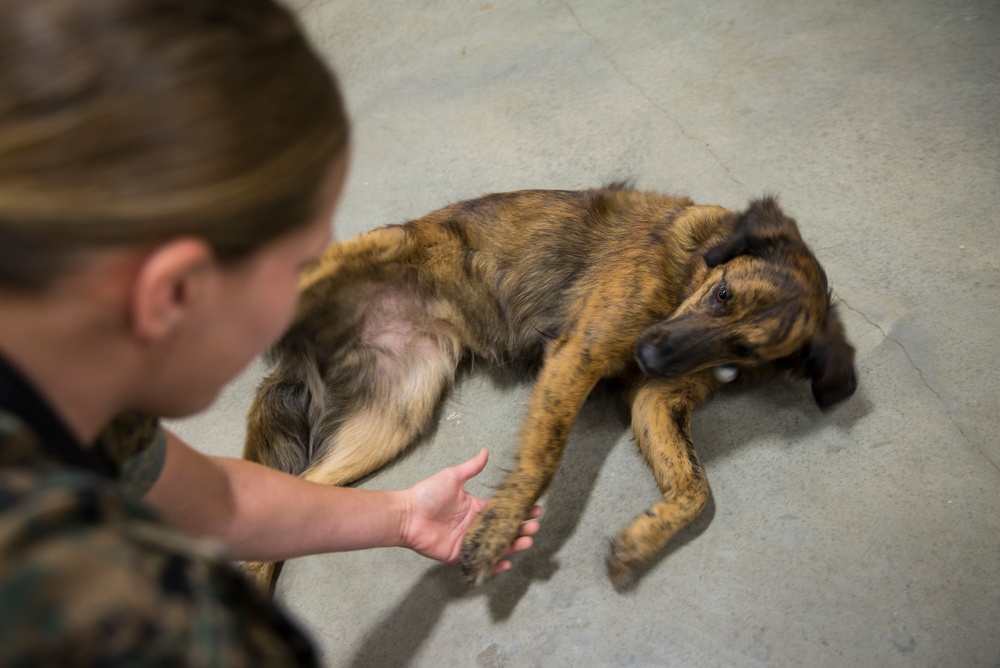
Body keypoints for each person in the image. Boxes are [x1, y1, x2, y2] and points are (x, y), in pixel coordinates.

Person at [0, 0, 540, 665]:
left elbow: (214, 501)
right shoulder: (147, 622)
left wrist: (400, 515)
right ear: (175, 293)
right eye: (301, 265)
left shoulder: (56, 375)